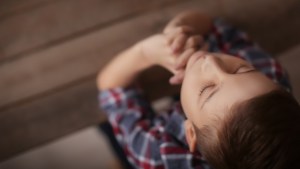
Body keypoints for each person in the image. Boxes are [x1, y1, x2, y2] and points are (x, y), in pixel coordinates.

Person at [97, 11, 300, 169]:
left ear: (190, 133)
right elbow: (217, 27)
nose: (210, 60)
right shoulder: (268, 77)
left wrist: (144, 53)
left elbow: (110, 88)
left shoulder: (158, 154)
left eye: (207, 89)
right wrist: (181, 29)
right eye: (241, 69)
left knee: (107, 127)